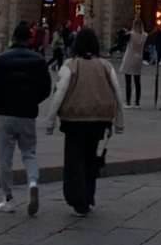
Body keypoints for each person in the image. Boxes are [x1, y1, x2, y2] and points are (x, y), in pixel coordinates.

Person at [46, 27, 125, 217]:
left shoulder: (70, 65)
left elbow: (59, 94)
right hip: (99, 119)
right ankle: (89, 197)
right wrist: (119, 122)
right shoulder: (105, 65)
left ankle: (78, 201)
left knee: (75, 160)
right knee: (91, 158)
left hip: (75, 120)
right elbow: (117, 92)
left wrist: (50, 122)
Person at [0, 21, 52, 216]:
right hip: (27, 113)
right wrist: (33, 101)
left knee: (5, 157)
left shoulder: (1, 59)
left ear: (13, 38)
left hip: (5, 113)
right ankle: (32, 182)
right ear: (30, 39)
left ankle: (8, 198)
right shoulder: (38, 60)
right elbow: (46, 88)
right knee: (29, 152)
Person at [119, 17, 147, 109]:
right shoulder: (144, 36)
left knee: (128, 82)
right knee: (137, 82)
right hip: (138, 59)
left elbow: (121, 39)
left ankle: (128, 101)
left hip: (129, 58)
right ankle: (137, 102)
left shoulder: (131, 35)